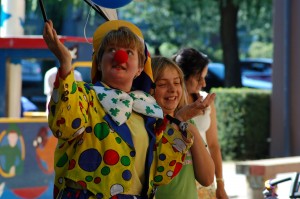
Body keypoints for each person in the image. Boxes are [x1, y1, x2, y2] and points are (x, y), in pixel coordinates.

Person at [43, 19, 197, 199]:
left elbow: (161, 173)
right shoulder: (83, 96)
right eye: (111, 50)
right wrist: (66, 63)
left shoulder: (147, 110)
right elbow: (65, 125)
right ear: (99, 63)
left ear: (140, 68)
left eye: (129, 52)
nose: (120, 56)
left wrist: (178, 121)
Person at [151, 56, 215, 199]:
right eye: (162, 84)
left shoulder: (187, 125)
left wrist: (188, 126)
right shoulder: (146, 125)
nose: (173, 89)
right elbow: (156, 172)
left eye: (177, 82)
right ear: (149, 89)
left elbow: (207, 178)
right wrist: (178, 120)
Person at [173, 48, 229, 199]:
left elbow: (213, 145)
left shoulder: (205, 101)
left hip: (205, 176)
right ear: (183, 75)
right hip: (180, 177)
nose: (204, 83)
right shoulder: (170, 102)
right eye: (199, 78)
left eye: (205, 77)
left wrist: (220, 184)